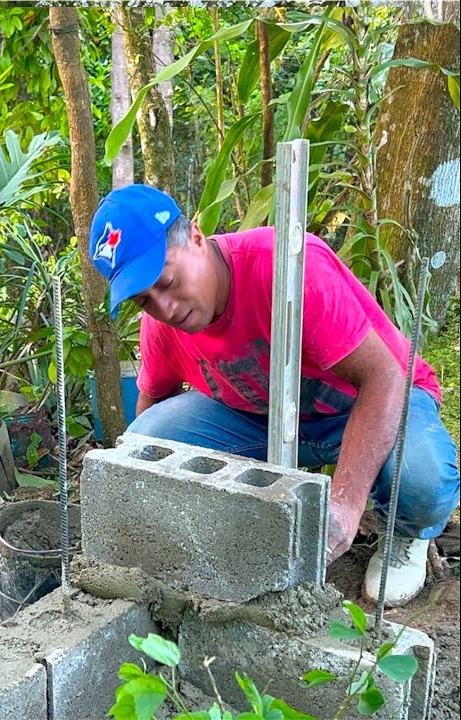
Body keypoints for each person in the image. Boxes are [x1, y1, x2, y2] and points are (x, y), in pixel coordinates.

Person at [89, 183, 459, 607]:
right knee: (148, 438)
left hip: (371, 399)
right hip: (260, 419)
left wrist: (344, 506)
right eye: (145, 300)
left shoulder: (288, 267)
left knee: (424, 480)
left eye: (168, 281)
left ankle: (406, 533)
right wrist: (143, 503)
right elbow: (150, 414)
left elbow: (384, 377)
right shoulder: (163, 327)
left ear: (195, 236)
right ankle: (230, 519)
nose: (166, 308)